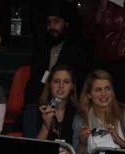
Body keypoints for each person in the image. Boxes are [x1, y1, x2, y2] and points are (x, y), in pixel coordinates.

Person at [23, 0, 91, 138]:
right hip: (40, 103)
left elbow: (79, 85)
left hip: (68, 104)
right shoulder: (42, 49)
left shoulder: (77, 50)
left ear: (66, 24)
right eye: (49, 22)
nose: (51, 27)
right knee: (30, 111)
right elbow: (34, 82)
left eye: (56, 22)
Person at [73, 69, 125, 154]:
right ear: (89, 95)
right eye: (98, 90)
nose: (104, 94)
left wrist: (120, 142)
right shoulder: (80, 120)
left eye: (107, 88)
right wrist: (81, 143)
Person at [37, 63, 77, 154]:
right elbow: (32, 150)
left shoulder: (78, 112)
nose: (61, 86)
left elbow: (81, 153)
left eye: (66, 82)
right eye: (56, 81)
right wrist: (45, 126)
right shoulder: (35, 110)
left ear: (72, 86)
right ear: (50, 84)